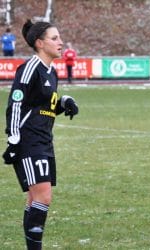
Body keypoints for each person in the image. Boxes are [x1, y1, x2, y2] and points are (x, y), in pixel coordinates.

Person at [2, 19, 79, 250]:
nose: (60, 42)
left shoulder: (50, 72)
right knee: (43, 197)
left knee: (35, 199)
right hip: (29, 141)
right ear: (39, 43)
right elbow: (15, 104)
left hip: (45, 140)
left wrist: (64, 102)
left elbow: (42, 103)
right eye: (54, 38)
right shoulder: (29, 68)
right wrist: (14, 140)